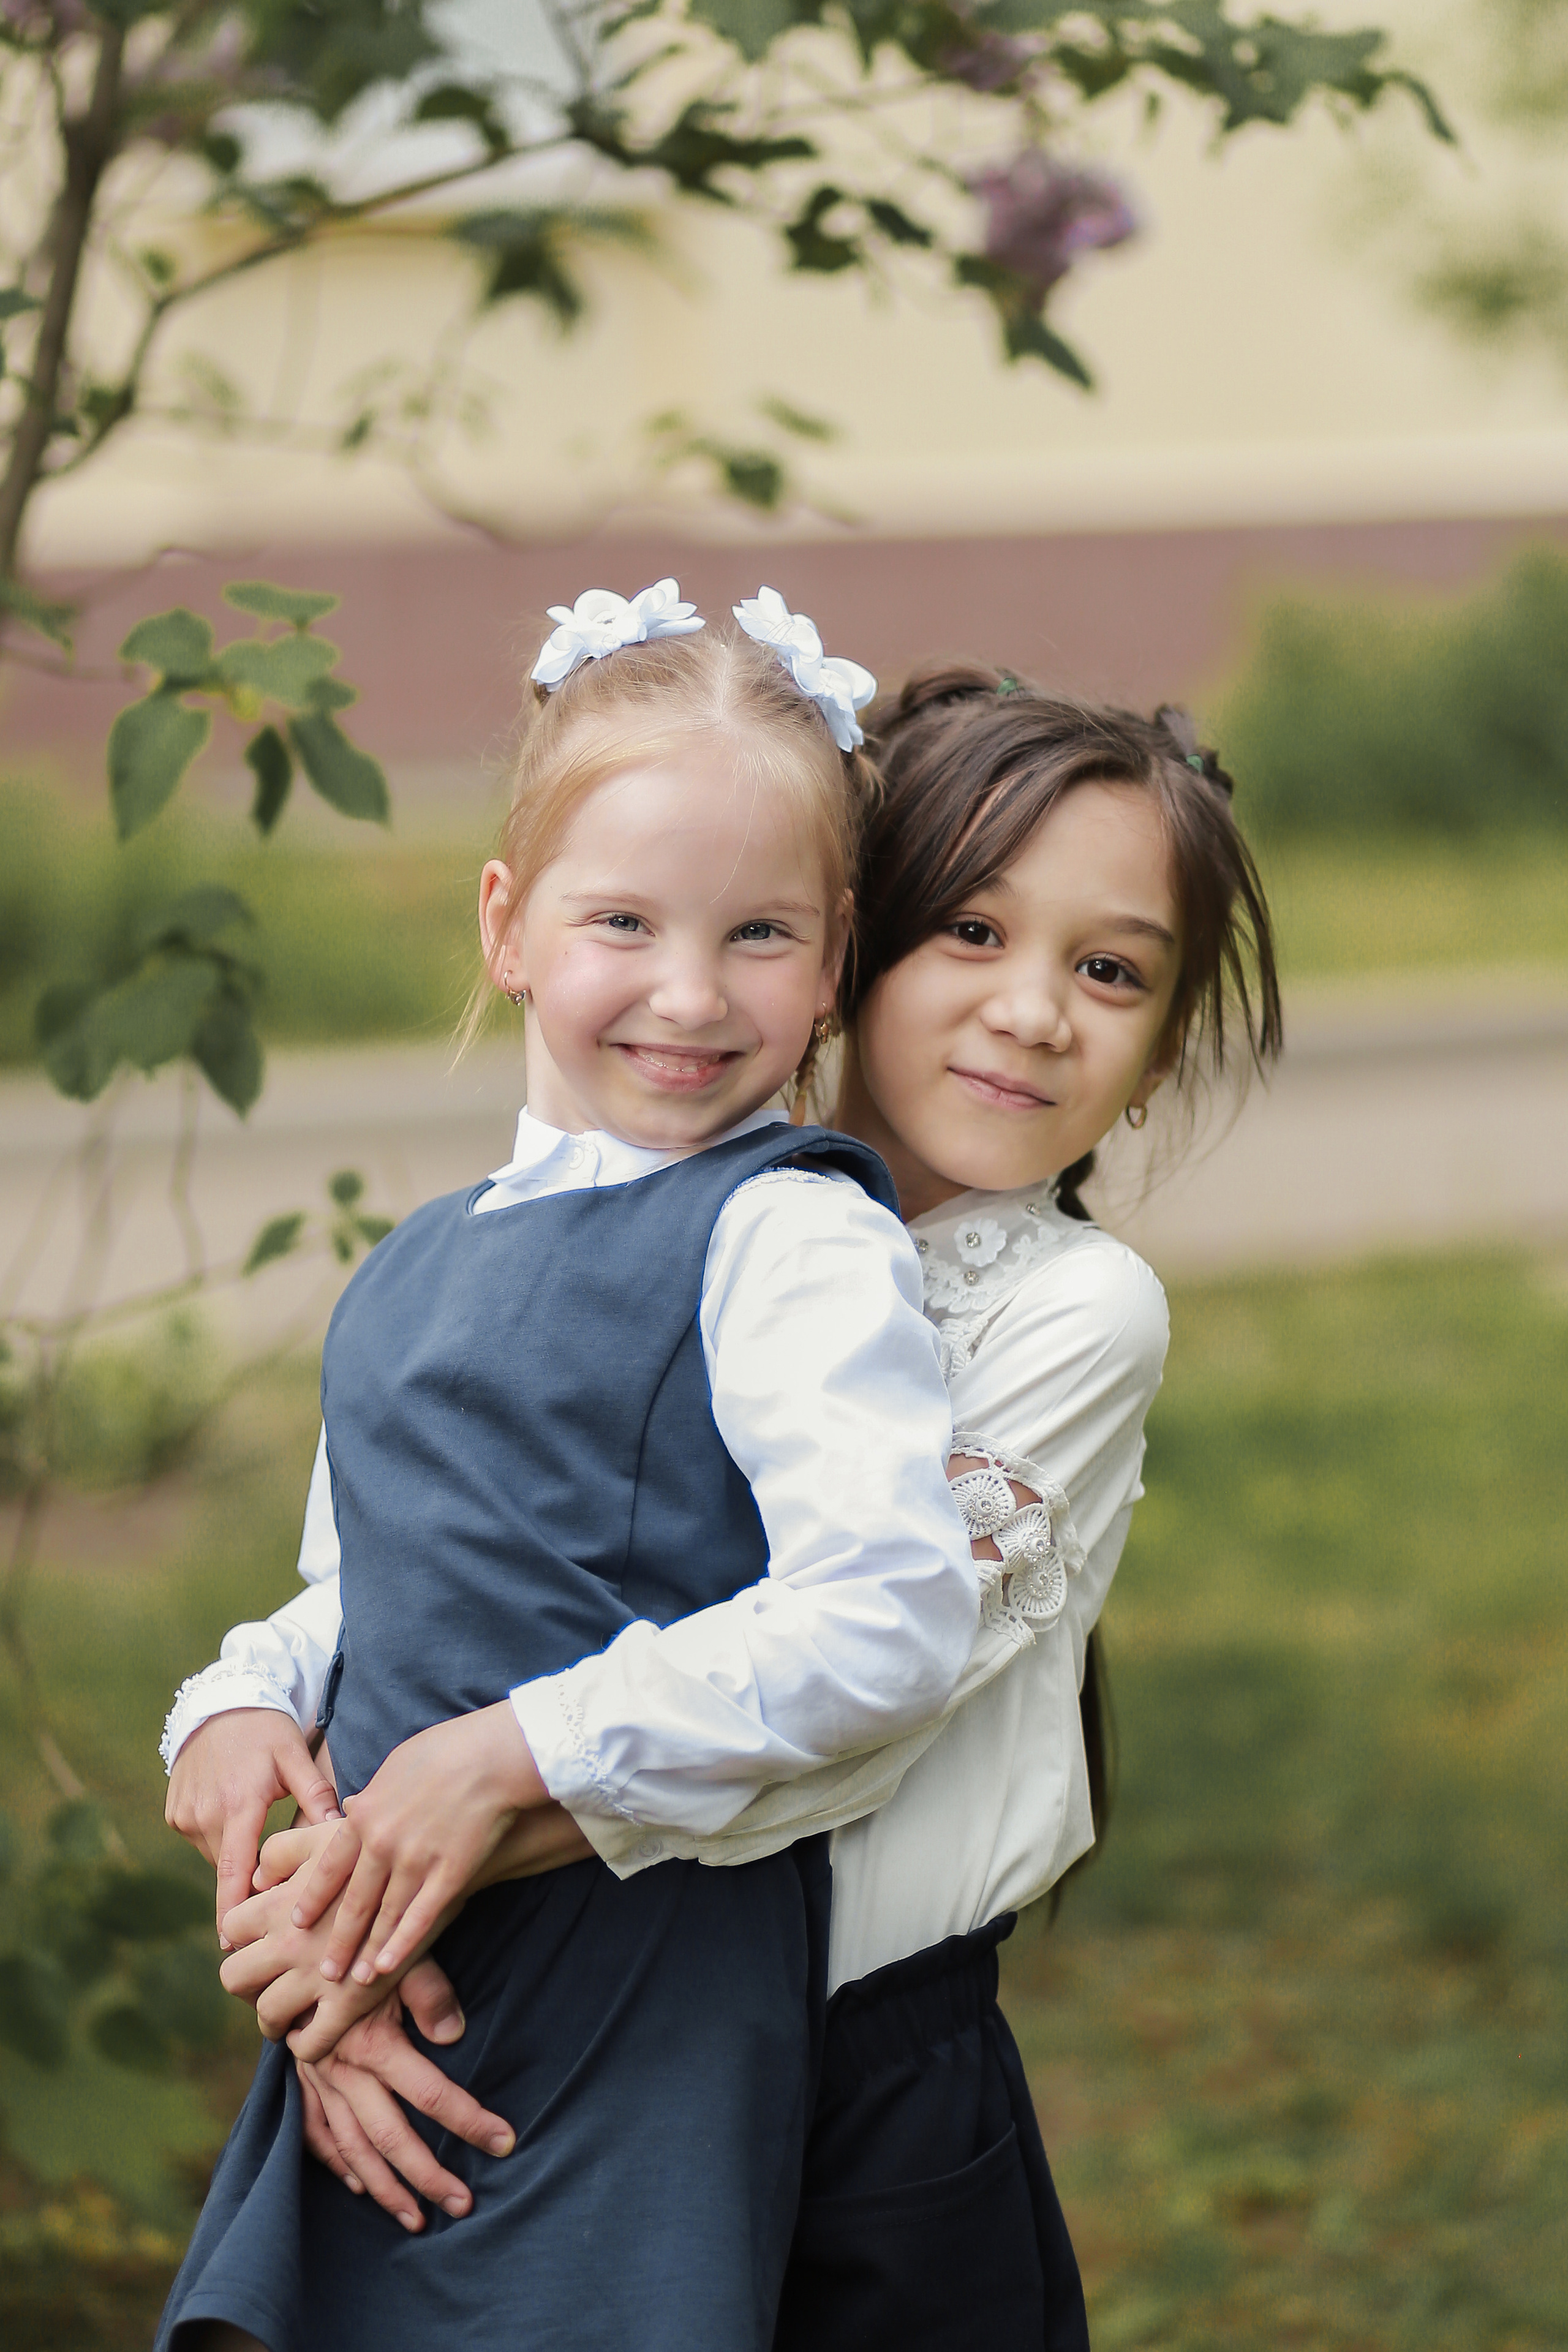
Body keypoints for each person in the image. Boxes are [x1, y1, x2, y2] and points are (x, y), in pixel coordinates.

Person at [172, 657, 1282, 2348]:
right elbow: (415, 1590)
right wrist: (270, 1752)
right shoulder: (632, 1236)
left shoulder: (1060, 1312)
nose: (1033, 1009)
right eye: (971, 933)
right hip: (548, 2020)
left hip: (862, 2081)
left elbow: (835, 1739)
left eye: (1111, 969)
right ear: (858, 947)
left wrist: (372, 1901)